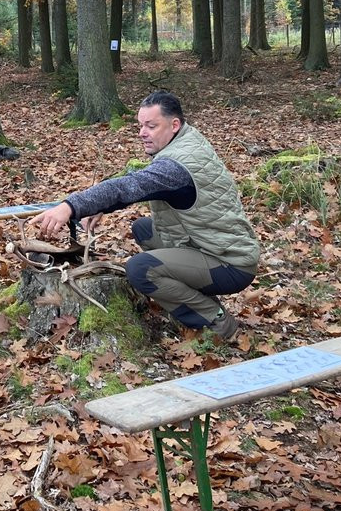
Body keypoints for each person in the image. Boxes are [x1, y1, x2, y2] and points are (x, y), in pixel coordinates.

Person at [30, 91, 259, 341]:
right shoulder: (185, 141)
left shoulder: (178, 165)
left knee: (140, 270)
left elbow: (129, 186)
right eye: (140, 125)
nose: (142, 133)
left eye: (151, 126)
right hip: (210, 244)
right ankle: (196, 296)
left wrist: (70, 207)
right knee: (144, 229)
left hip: (229, 263)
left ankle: (217, 321)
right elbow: (141, 185)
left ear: (174, 125)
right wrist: (100, 207)